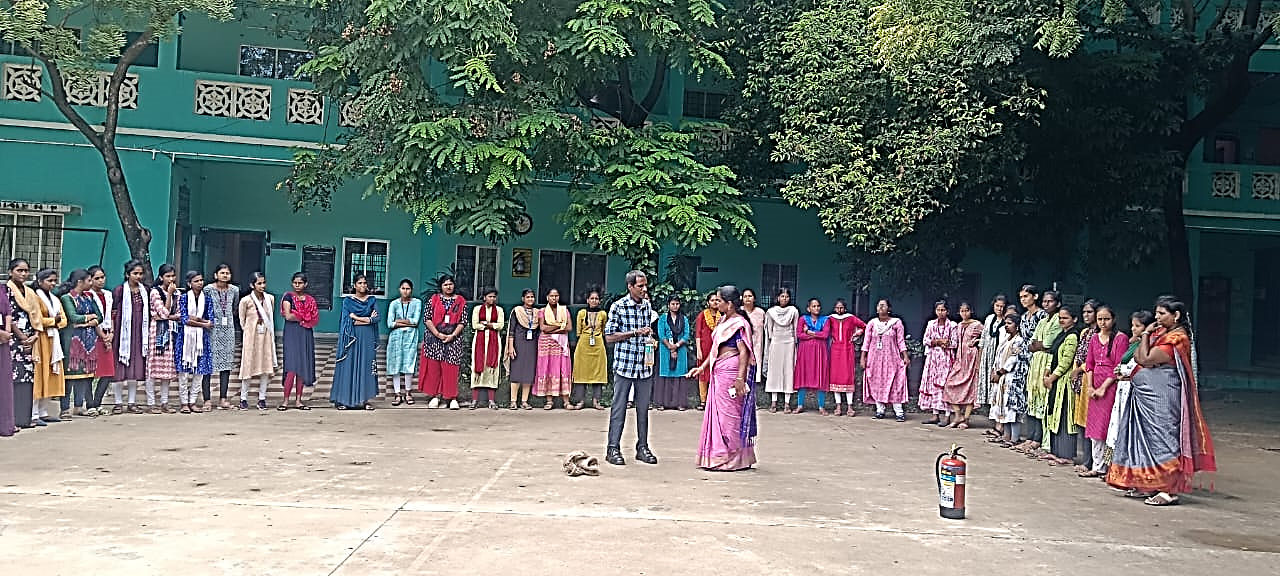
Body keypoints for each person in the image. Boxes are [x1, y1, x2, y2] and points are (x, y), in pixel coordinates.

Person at [1107, 297, 1216, 506]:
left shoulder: (1177, 338)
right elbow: (1138, 356)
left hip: (1163, 399)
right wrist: (1147, 336)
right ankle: (1147, 483)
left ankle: (1168, 490)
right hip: (1145, 399)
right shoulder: (1160, 334)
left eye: (1162, 313)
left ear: (1176, 315)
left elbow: (1146, 359)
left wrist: (1145, 334)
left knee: (1163, 440)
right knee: (1143, 440)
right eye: (1156, 313)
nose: (1156, 317)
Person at [687, 285, 757, 471]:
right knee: (718, 415)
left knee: (730, 416)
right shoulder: (722, 321)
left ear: (730, 304)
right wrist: (701, 368)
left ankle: (733, 458)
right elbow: (714, 350)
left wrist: (740, 378)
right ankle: (719, 456)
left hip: (731, 371)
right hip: (719, 370)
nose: (717, 304)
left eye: (719, 301)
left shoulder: (739, 323)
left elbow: (744, 352)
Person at [603, 270, 658, 466]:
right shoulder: (618, 306)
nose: (644, 289)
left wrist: (649, 339)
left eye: (645, 285)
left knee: (643, 409)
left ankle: (642, 447)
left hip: (644, 365)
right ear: (630, 286)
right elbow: (609, 337)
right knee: (619, 408)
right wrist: (634, 333)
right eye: (640, 286)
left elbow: (647, 331)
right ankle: (613, 448)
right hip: (625, 365)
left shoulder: (646, 306)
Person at [1079, 304, 1128, 478]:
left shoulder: (1120, 338)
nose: (1103, 323)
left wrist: (1103, 388)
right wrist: (1091, 386)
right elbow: (1089, 364)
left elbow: (1118, 366)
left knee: (1109, 426)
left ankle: (1110, 467)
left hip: (1111, 385)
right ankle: (1097, 465)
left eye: (1106, 319)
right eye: (1100, 319)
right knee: (1094, 428)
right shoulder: (1094, 338)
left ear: (1113, 319)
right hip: (1094, 384)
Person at [1104, 311, 1155, 473]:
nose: (1133, 329)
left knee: (1129, 427)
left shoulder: (1148, 345)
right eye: (1132, 325)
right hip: (1123, 388)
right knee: (1118, 424)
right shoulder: (1134, 343)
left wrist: (1124, 371)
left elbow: (1141, 366)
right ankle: (1115, 467)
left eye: (1137, 326)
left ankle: (1129, 468)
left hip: (1134, 390)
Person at [1015, 287, 1056, 453]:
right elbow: (1031, 342)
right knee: (1029, 399)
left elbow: (1045, 343)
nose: (1023, 300)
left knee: (1040, 399)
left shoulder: (1042, 316)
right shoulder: (1024, 316)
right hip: (1025, 361)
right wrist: (1034, 345)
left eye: (1026, 296)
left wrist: (1036, 346)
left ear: (1035, 296)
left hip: (1040, 361)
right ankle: (1029, 437)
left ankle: (1037, 438)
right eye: (1021, 297)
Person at [58, 269, 102, 418]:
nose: (91, 283)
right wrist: (90, 318)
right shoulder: (67, 298)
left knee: (84, 376)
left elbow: (100, 316)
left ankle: (78, 406)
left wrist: (88, 321)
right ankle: (64, 408)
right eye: (89, 280)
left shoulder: (88, 297)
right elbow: (73, 317)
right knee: (70, 375)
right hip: (73, 341)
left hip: (88, 341)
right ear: (79, 282)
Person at [331, 274, 379, 410]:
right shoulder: (348, 301)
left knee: (366, 366)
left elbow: (377, 318)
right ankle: (344, 400)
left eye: (365, 283)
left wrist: (357, 318)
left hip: (367, 338)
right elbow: (347, 321)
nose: (363, 285)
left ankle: (365, 400)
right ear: (354, 285)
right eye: (360, 283)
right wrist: (368, 319)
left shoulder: (372, 300)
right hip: (351, 338)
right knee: (349, 366)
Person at [1042, 305, 1082, 466]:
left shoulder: (1072, 336)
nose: (1061, 321)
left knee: (1064, 417)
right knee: (1054, 416)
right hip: (1055, 380)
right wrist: (1046, 372)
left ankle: (1066, 454)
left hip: (1064, 382)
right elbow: (1053, 356)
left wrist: (1051, 378)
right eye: (1060, 318)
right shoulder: (1061, 335)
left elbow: (1066, 361)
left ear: (1074, 319)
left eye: (1065, 318)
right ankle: (1055, 451)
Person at [419, 275, 466, 410]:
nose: (448, 287)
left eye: (450, 284)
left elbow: (462, 321)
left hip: (453, 339)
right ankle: (435, 396)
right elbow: (427, 319)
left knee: (450, 369)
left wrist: (452, 335)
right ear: (441, 286)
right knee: (434, 369)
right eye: (445, 284)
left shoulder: (460, 301)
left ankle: (452, 397)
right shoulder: (433, 299)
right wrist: (438, 334)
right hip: (434, 339)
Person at [111, 260, 149, 415]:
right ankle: (118, 402)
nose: (138, 276)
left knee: (135, 368)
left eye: (140, 273)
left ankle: (132, 402)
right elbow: (113, 312)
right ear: (127, 274)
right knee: (119, 369)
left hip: (139, 334)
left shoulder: (145, 291)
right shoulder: (119, 291)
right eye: (135, 273)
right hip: (122, 335)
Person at [862, 299, 908, 421]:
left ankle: (899, 412)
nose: (881, 307)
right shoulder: (872, 323)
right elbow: (866, 342)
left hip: (892, 358)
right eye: (879, 305)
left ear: (889, 309)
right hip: (874, 359)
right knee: (876, 382)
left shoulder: (896, 323)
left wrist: (905, 356)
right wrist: (863, 357)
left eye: (883, 305)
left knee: (895, 383)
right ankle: (880, 410)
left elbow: (900, 341)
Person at [175, 271, 214, 414]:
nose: (200, 283)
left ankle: (192, 402)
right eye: (196, 281)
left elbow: (211, 321)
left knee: (199, 372)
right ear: (189, 283)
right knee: (184, 372)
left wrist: (197, 320)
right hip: (185, 338)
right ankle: (184, 402)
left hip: (202, 340)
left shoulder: (207, 299)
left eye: (201, 280)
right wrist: (202, 323)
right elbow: (184, 319)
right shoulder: (184, 298)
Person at [31, 268, 67, 423]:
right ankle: (33, 413)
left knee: (52, 373)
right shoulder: (34, 297)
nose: (53, 284)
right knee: (40, 374)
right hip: (40, 339)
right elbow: (36, 318)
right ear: (40, 281)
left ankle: (44, 411)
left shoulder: (55, 299)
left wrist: (55, 322)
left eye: (54, 281)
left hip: (54, 340)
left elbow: (64, 320)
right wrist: (53, 321)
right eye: (49, 280)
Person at [237, 272, 276, 411]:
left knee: (265, 366)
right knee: (248, 365)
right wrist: (250, 330)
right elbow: (242, 320)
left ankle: (262, 398)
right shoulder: (245, 301)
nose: (262, 286)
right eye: (259, 283)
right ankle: (243, 398)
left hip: (265, 336)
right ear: (252, 285)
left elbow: (270, 318)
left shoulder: (270, 299)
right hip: (251, 337)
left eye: (264, 283)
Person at [7, 259, 39, 428]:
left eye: (26, 271)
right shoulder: (6, 291)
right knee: (14, 378)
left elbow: (36, 317)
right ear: (10, 272)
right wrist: (21, 337)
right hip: (13, 341)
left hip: (29, 341)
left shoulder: (30, 292)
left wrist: (34, 336)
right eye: (19, 270)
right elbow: (7, 316)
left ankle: (24, 419)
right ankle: (11, 420)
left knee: (27, 378)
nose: (23, 274)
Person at [203, 264, 239, 411]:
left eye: (227, 273)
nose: (225, 275)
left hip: (228, 330)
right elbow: (204, 307)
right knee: (208, 364)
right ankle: (206, 399)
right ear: (215, 275)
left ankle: (223, 398)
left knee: (226, 365)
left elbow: (234, 307)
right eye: (222, 273)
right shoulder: (208, 289)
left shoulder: (234, 290)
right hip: (212, 329)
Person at [280, 272, 318, 410]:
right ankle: (285, 401)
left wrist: (299, 316)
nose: (297, 285)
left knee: (302, 366)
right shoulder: (288, 297)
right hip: (291, 333)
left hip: (305, 333)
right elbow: (288, 316)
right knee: (291, 366)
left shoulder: (310, 300)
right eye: (295, 282)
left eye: (300, 283)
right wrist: (303, 317)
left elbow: (314, 317)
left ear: (305, 284)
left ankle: (298, 400)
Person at [943, 302, 982, 428]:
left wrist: (978, 341)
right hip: (960, 358)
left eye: (966, 310)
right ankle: (958, 415)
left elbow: (987, 338)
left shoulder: (977, 324)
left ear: (971, 311)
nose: (964, 313)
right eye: (962, 311)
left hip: (971, 358)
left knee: (970, 388)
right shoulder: (959, 325)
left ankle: (966, 419)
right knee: (949, 385)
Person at [147, 264, 180, 414]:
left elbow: (178, 314)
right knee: (153, 368)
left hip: (171, 331)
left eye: (173, 276)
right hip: (157, 332)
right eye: (168, 276)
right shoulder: (155, 292)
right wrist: (169, 296)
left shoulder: (176, 293)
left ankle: (164, 402)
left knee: (167, 369)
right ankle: (151, 403)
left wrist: (167, 316)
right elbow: (164, 313)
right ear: (161, 277)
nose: (171, 279)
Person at [987, 313, 1024, 445]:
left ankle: (1014, 438)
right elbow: (998, 357)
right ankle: (1006, 436)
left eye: (1009, 323)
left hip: (1011, 378)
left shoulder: (1019, 340)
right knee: (1003, 406)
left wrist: (1000, 372)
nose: (1006, 326)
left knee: (1011, 408)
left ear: (1017, 326)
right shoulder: (1006, 339)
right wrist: (994, 371)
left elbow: (1013, 359)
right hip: (1001, 377)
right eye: (1005, 323)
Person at [535, 288, 573, 409]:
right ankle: (549, 401)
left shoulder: (564, 310)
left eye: (556, 296)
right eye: (551, 296)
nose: (554, 298)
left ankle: (566, 401)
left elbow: (569, 327)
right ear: (547, 297)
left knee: (563, 368)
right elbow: (543, 328)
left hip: (561, 344)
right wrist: (559, 326)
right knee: (548, 368)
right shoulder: (542, 311)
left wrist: (551, 328)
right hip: (546, 344)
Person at [386, 279, 422, 406]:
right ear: (399, 289)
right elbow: (390, 323)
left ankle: (408, 393)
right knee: (395, 365)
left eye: (408, 289)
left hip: (411, 337)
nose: (405, 291)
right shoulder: (394, 304)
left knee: (409, 364)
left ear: (411, 290)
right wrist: (408, 322)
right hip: (395, 337)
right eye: (403, 288)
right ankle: (397, 394)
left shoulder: (417, 302)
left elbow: (416, 321)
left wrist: (399, 321)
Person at [920, 300, 956, 426]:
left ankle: (947, 416)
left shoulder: (952, 325)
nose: (940, 312)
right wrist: (938, 341)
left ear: (948, 311)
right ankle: (935, 414)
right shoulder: (931, 324)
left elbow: (955, 343)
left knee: (944, 386)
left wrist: (946, 343)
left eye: (943, 310)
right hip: (933, 359)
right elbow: (925, 340)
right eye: (938, 310)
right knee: (932, 385)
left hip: (946, 359)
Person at [827, 299, 865, 417]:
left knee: (848, 377)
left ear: (845, 308)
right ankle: (838, 406)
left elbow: (864, 326)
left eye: (841, 308)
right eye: (837, 308)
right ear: (834, 308)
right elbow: (823, 329)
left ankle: (850, 407)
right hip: (835, 350)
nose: (839, 310)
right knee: (835, 377)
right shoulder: (830, 318)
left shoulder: (851, 318)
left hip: (848, 349)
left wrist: (857, 334)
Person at [85, 265, 115, 417]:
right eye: (97, 278)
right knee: (90, 373)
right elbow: (94, 318)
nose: (101, 281)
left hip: (107, 335)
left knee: (108, 372)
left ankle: (98, 403)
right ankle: (89, 404)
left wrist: (111, 334)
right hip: (93, 336)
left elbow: (111, 315)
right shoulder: (87, 295)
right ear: (90, 280)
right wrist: (103, 336)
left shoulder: (108, 294)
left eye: (102, 277)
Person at [570, 289, 607, 410]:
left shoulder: (603, 314)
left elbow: (603, 330)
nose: (594, 301)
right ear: (587, 300)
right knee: (581, 373)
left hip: (598, 344)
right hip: (584, 344)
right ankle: (581, 401)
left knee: (598, 374)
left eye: (596, 299)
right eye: (592, 298)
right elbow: (578, 331)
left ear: (599, 301)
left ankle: (596, 401)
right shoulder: (582, 313)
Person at [794, 297, 831, 415]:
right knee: (803, 376)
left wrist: (809, 332)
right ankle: (800, 405)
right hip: (805, 352)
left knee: (820, 375)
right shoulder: (803, 319)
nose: (816, 308)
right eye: (813, 306)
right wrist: (816, 334)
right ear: (808, 308)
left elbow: (825, 335)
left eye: (818, 306)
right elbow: (799, 335)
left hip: (820, 351)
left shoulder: (825, 320)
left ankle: (821, 406)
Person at [763, 288, 798, 413]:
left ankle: (787, 404)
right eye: (782, 296)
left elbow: (795, 328)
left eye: (787, 296)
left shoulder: (793, 311)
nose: (784, 298)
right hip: (776, 342)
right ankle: (774, 402)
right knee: (774, 372)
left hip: (789, 343)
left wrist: (794, 342)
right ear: (777, 297)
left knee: (788, 371)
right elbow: (769, 331)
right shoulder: (771, 312)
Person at [655, 295, 691, 411]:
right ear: (668, 305)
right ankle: (661, 403)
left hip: (680, 349)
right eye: (673, 304)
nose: (675, 306)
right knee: (665, 374)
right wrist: (670, 347)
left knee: (679, 375)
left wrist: (676, 345)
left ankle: (679, 403)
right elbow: (661, 334)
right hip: (665, 350)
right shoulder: (663, 318)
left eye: (677, 304)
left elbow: (686, 334)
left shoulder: (683, 319)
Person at [471, 288, 504, 409]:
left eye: (494, 297)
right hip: (479, 342)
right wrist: (491, 325)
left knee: (492, 369)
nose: (492, 299)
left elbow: (500, 325)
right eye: (490, 296)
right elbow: (475, 325)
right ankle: (474, 400)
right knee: (477, 368)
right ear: (484, 297)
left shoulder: (499, 310)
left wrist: (486, 324)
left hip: (494, 342)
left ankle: (491, 400)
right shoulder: (477, 309)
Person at [975, 294, 1009, 413]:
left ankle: (996, 409)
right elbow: (983, 339)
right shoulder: (989, 318)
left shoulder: (1006, 321)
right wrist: (979, 360)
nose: (999, 308)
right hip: (986, 355)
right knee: (986, 379)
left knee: (997, 380)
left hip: (998, 355)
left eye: (1002, 306)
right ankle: (988, 408)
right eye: (997, 306)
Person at [506, 289, 538, 410]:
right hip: (518, 344)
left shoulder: (537, 312)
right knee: (516, 372)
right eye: (528, 297)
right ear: (523, 299)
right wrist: (510, 347)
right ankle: (513, 401)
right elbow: (511, 330)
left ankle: (524, 401)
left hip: (532, 345)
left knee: (529, 372)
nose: (530, 299)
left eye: (532, 297)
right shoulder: (517, 311)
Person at [693, 292, 722, 410]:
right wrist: (698, 350)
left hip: (718, 349)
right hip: (704, 349)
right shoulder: (702, 315)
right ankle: (703, 401)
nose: (715, 302)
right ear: (708, 302)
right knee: (703, 375)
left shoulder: (723, 315)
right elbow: (698, 333)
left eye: (717, 300)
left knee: (717, 374)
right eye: (712, 300)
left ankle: (715, 400)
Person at [741, 289, 766, 393]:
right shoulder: (738, 312)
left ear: (754, 298)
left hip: (757, 344)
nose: (747, 298)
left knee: (754, 369)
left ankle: (752, 395)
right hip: (742, 344)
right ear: (742, 299)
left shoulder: (760, 312)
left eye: (750, 296)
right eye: (745, 296)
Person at [0, 279, 14, 436]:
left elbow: (7, 312)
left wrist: (7, 332)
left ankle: (5, 423)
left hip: (3, 340)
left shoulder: (1, 290)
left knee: (3, 382)